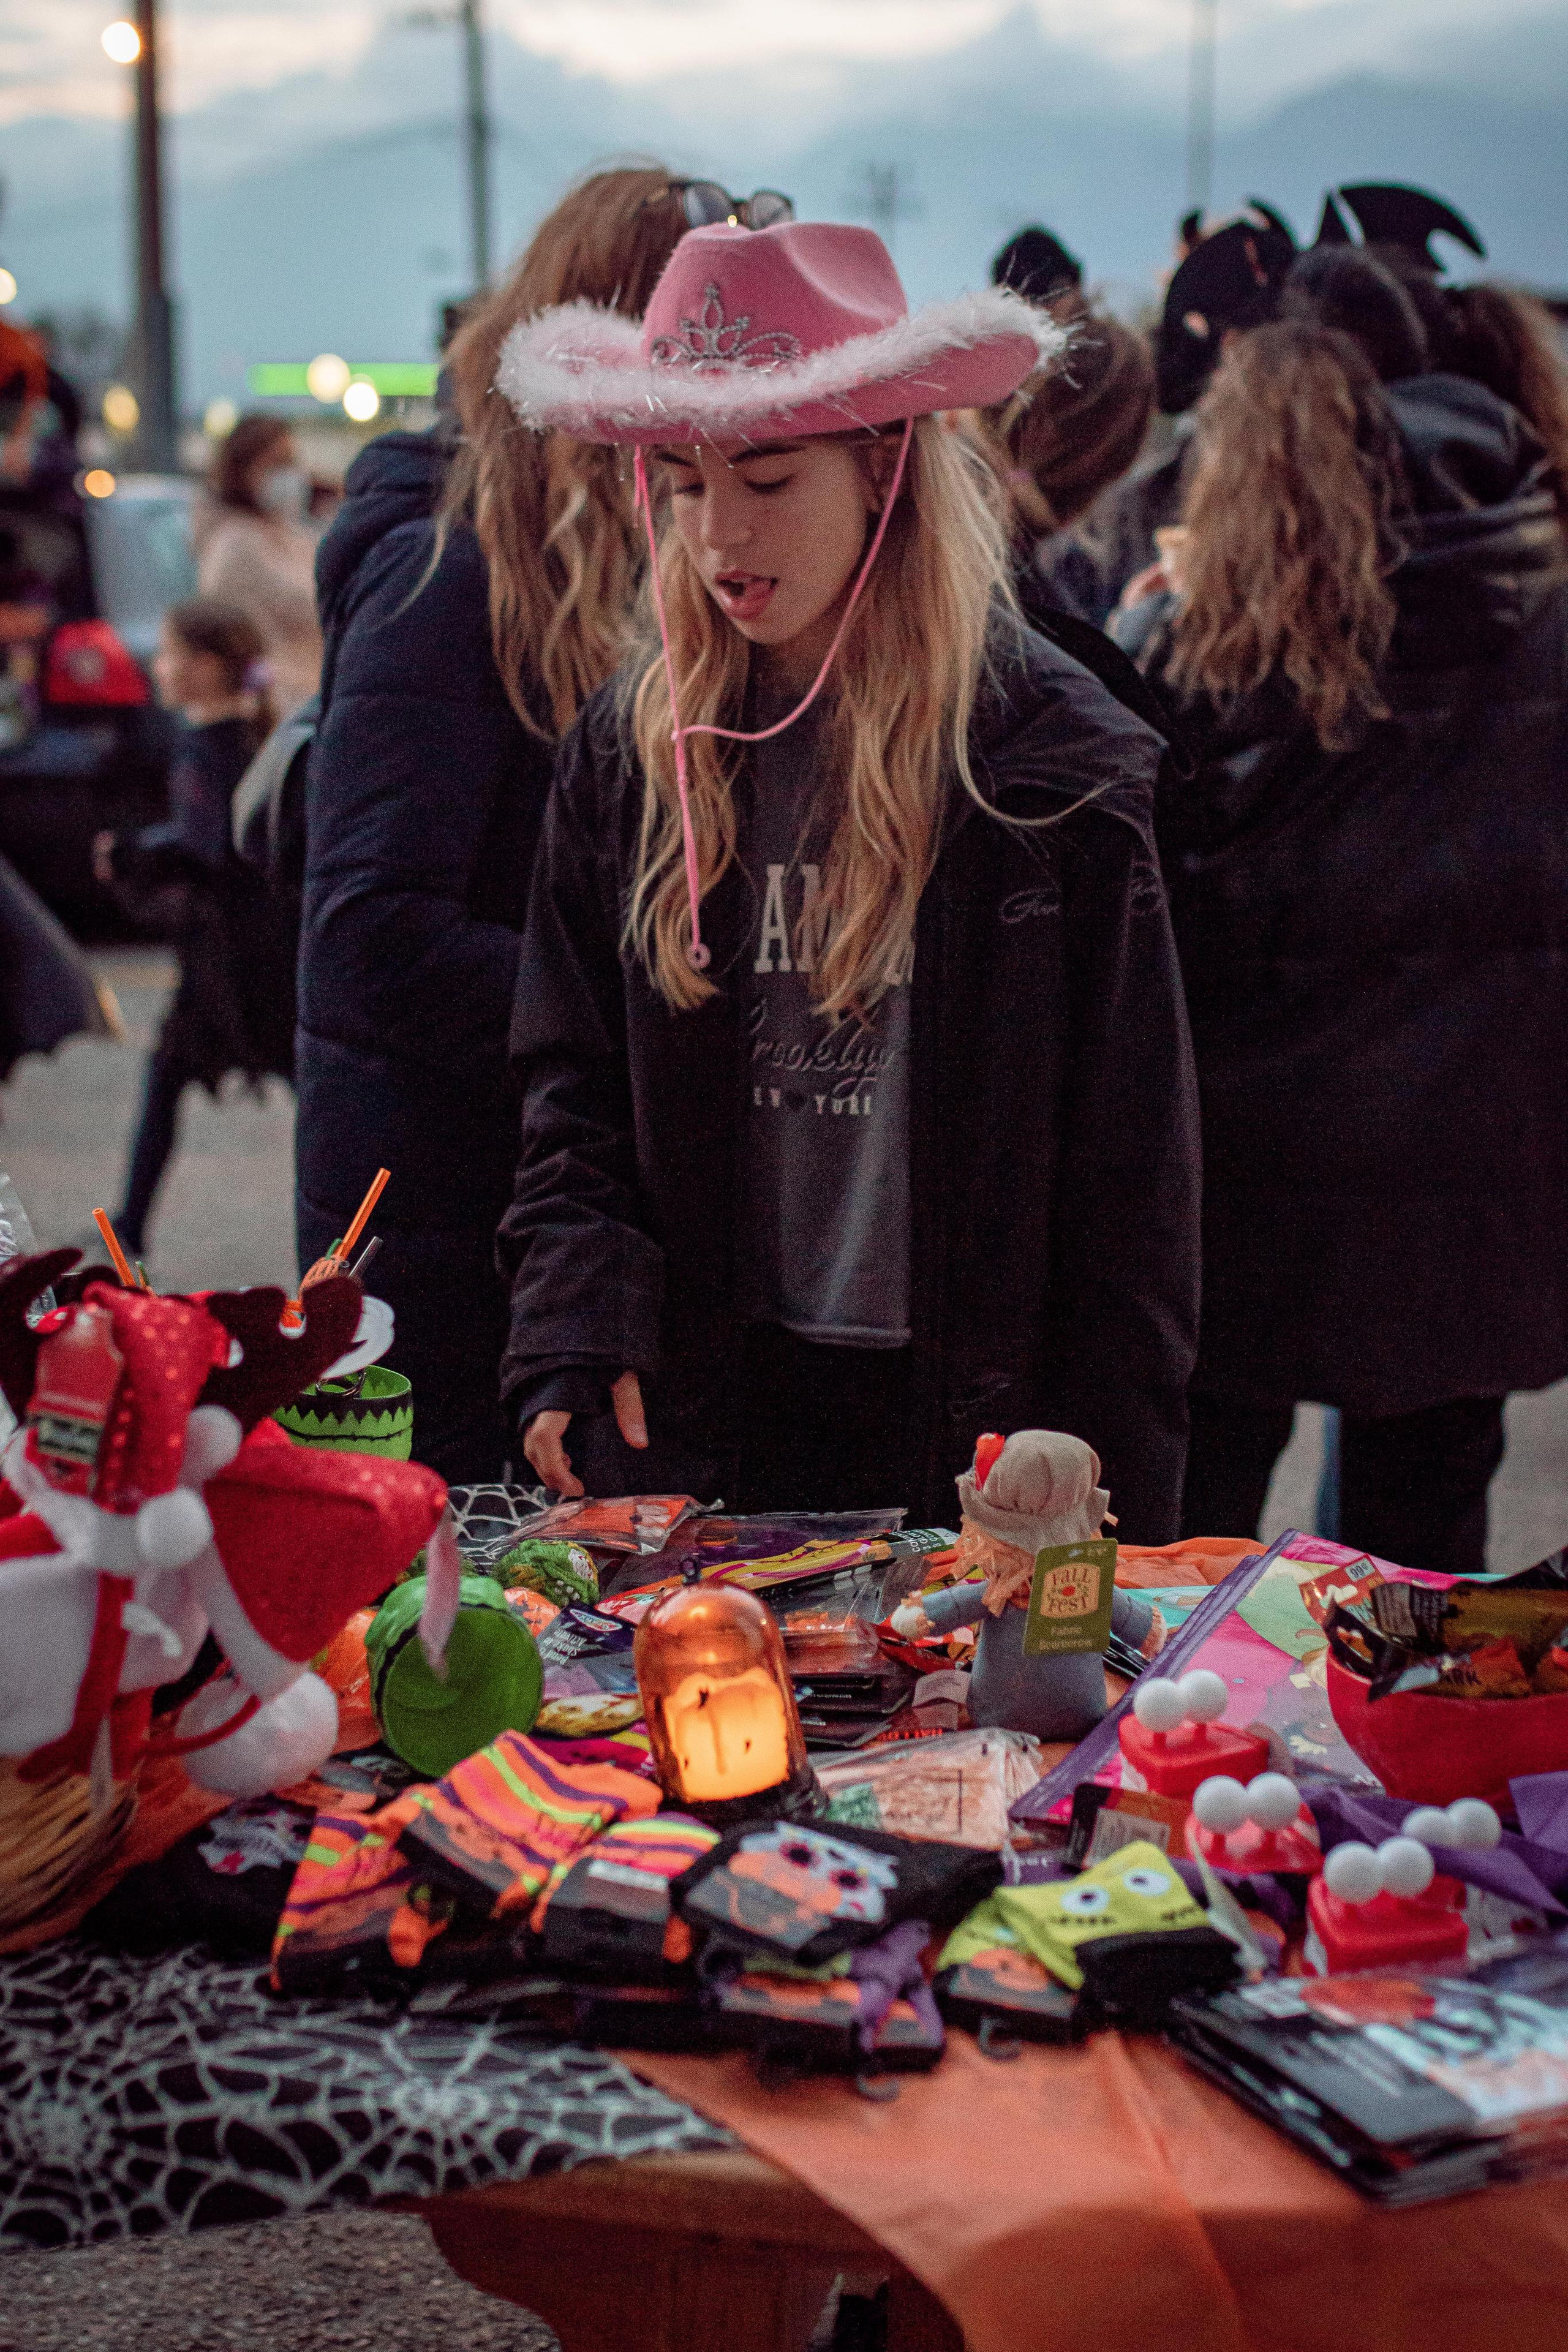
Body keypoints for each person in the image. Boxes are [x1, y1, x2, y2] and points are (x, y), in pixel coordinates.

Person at [496, 220, 1200, 1535]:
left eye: (764, 478)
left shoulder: (1048, 759)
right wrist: (573, 1319)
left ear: (882, 466)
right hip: (701, 1403)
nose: (716, 536)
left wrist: (1118, 1463)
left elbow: (1133, 1172)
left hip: (977, 1417)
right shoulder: (631, 746)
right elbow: (568, 1079)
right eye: (684, 483)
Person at [1132, 301, 1568, 1575]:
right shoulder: (1542, 603)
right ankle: (1408, 1777)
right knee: (1421, 1586)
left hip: (1244, 1190)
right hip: (1473, 1175)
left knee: (1187, 1561)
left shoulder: (1210, 636)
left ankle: (1172, 1766)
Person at [295, 165, 694, 1483]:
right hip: (432, 1238)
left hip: (523, 1214)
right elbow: (370, 932)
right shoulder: (442, 566)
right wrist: (631, 1005)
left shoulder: (593, 558)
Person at [94, 598, 294, 1261]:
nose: (160, 665)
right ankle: (129, 1223)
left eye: (173, 654)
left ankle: (129, 1224)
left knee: (183, 1075)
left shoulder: (208, 747)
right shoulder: (238, 737)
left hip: (234, 959)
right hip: (245, 951)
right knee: (173, 1075)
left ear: (208, 668)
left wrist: (136, 854)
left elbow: (211, 845)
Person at [197, 415, 322, 713]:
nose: (290, 474)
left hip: (311, 701)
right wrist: (260, 696)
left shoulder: (293, 533)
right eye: (277, 463)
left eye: (292, 462)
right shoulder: (233, 545)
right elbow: (228, 643)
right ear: (242, 470)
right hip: (273, 711)